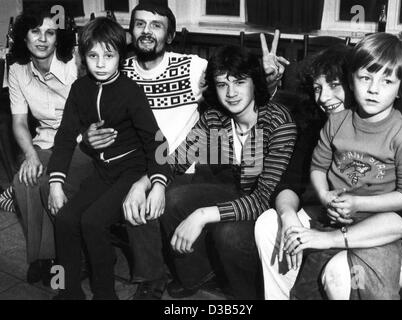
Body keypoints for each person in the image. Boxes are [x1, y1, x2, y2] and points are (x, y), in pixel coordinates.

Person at [81, 2, 289, 300]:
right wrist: (142, 178)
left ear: (170, 35)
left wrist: (268, 77)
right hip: (145, 163)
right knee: (150, 190)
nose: (147, 31)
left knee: (178, 201)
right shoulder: (117, 71)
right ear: (130, 32)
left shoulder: (195, 69)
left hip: (221, 179)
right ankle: (176, 275)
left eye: (156, 25)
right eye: (140, 24)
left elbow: (234, 74)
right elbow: (89, 109)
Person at [257, 33, 402, 300]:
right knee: (303, 281)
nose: (324, 97)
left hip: (386, 228)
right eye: (366, 79)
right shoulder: (331, 123)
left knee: (359, 281)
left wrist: (355, 208)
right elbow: (301, 177)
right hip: (334, 219)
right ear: (355, 81)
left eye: (333, 85)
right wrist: (307, 208)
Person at [156, 45, 297, 300]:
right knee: (170, 198)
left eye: (240, 82)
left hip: (269, 207)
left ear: (255, 82)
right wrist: (149, 183)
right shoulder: (216, 117)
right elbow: (176, 160)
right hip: (235, 191)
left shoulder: (277, 122)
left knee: (228, 233)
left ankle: (246, 293)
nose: (231, 93)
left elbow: (264, 199)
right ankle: (198, 275)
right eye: (222, 85)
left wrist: (201, 215)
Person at [47, 17, 170, 300]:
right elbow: (65, 136)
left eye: (109, 55)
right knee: (65, 219)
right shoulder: (79, 90)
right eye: (93, 56)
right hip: (102, 172)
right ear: (83, 57)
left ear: (121, 57)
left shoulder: (130, 92)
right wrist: (56, 182)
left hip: (130, 172)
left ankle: (105, 294)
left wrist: (158, 181)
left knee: (92, 222)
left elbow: (157, 141)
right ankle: (67, 291)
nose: (101, 63)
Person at [7, 8, 92, 286]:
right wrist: (30, 155)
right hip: (45, 142)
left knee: (47, 180)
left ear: (59, 38)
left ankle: (65, 258)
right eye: (35, 31)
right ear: (24, 37)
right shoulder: (18, 70)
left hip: (81, 144)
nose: (42, 39)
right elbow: (19, 122)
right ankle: (42, 257)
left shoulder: (75, 64)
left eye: (50, 32)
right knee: (25, 179)